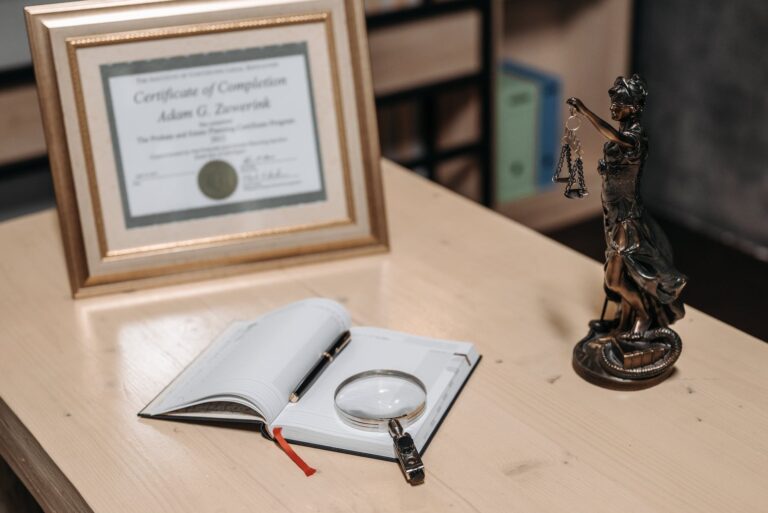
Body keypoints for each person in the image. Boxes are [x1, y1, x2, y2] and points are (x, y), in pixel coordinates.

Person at [567, 75, 686, 339]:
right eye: (613, 101)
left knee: (615, 278)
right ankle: (625, 317)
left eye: (619, 102)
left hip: (628, 220)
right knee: (616, 279)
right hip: (613, 214)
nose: (613, 106)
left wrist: (585, 112)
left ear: (634, 107)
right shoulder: (620, 140)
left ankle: (642, 316)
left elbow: (611, 134)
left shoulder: (635, 138)